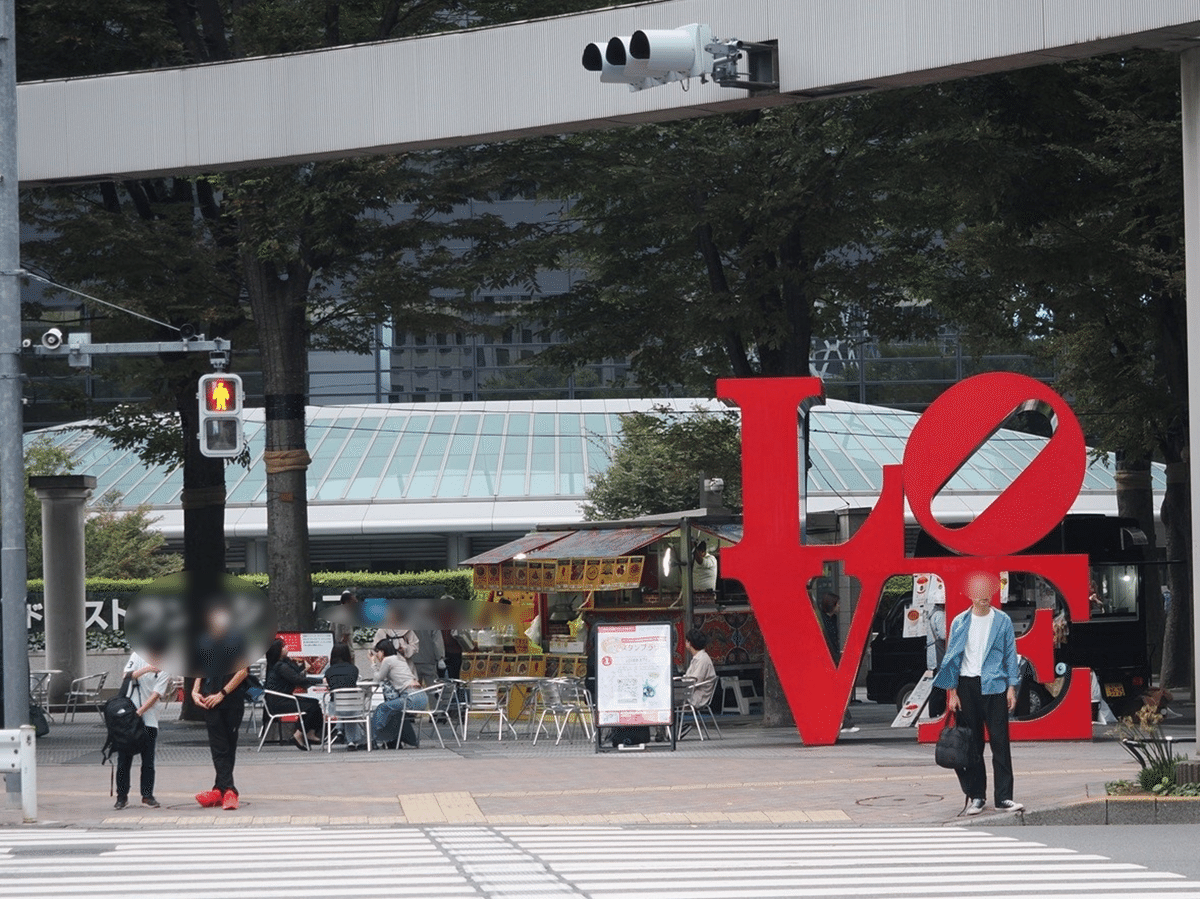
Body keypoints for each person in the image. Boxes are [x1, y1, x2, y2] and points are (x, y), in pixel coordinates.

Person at [933, 587, 1024, 816]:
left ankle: (1003, 797)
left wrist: (1011, 688)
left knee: (1000, 742)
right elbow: (952, 658)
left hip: (995, 686)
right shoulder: (960, 621)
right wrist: (952, 693)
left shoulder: (1001, 620)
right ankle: (977, 796)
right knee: (972, 745)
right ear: (971, 595)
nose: (984, 596)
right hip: (967, 686)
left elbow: (1010, 655)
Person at [192, 601, 250, 811]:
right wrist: (194, 691)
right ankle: (227, 790)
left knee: (228, 746)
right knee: (219, 747)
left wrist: (223, 693)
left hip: (231, 701)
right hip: (210, 701)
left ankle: (222, 789)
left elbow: (243, 671)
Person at [114, 643, 171, 810]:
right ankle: (121, 797)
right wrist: (147, 669)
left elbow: (156, 695)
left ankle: (147, 796)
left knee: (148, 761)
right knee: (124, 760)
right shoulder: (137, 656)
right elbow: (126, 676)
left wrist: (139, 713)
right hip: (129, 719)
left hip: (149, 719)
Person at [264, 637, 323, 751]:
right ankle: (299, 733)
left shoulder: (281, 664)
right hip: (279, 702)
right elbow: (298, 680)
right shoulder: (281, 666)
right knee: (312, 706)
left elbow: (298, 676)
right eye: (283, 646)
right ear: (278, 651)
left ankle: (309, 732)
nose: (286, 648)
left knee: (313, 703)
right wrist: (321, 681)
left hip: (280, 699)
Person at [369, 639, 426, 748]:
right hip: (421, 695)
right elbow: (382, 675)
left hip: (410, 697)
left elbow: (378, 678)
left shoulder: (388, 660)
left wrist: (372, 663)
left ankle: (373, 739)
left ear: (383, 651)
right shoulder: (399, 658)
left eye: (378, 652)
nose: (377, 655)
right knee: (393, 711)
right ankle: (394, 739)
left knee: (382, 708)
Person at [819, 593, 858, 733]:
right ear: (832, 605)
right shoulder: (823, 620)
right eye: (838, 604)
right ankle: (845, 721)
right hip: (828, 659)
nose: (840, 606)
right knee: (836, 690)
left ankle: (845, 721)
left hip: (834, 657)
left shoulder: (832, 619)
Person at [324, 642, 366, 750]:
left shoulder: (329, 671)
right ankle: (351, 741)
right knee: (349, 710)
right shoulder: (354, 669)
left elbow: (328, 684)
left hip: (336, 708)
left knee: (340, 704)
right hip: (353, 705)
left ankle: (340, 729)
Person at [924, 593, 948, 718]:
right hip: (939, 656)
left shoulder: (933, 613)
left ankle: (936, 713)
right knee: (939, 689)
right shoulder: (939, 615)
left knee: (939, 688)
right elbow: (944, 635)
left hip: (935, 656)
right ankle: (935, 714)